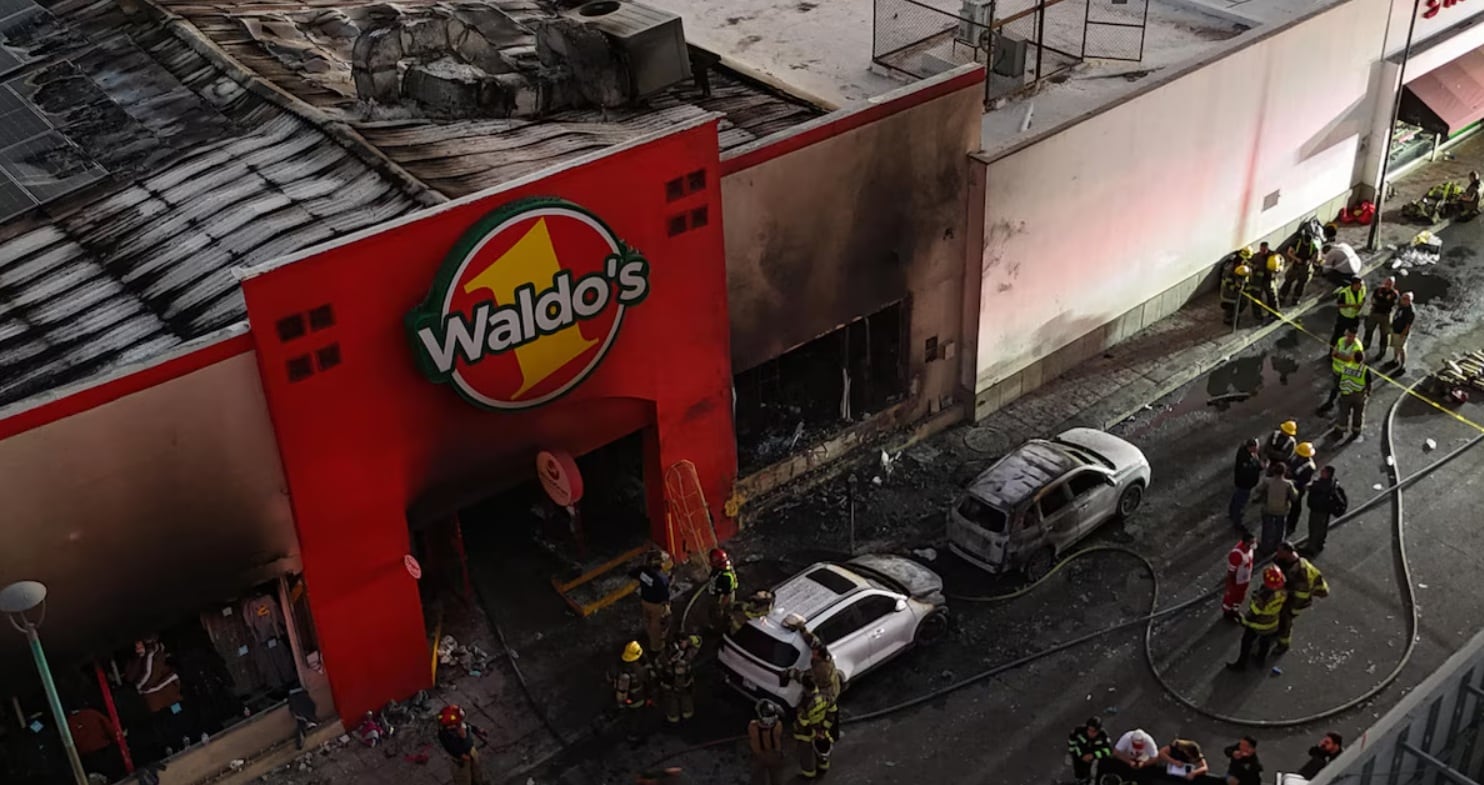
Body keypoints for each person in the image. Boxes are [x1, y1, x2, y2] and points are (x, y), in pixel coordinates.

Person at [1226, 565, 1287, 671]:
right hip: (1272, 624)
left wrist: (1243, 619)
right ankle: (1260, 660)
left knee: (1246, 642)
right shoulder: (1282, 591)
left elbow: (1255, 611)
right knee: (1264, 643)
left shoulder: (1263, 597)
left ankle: (1241, 665)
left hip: (1257, 624)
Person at [1274, 542, 1330, 654]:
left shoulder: (1301, 572)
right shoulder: (1285, 560)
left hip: (1299, 599)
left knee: (1286, 619)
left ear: (1288, 553)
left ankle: (1283, 644)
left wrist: (1291, 610)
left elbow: (1302, 595)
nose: (1277, 553)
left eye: (1280, 552)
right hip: (1292, 592)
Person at [610, 641, 653, 743]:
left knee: (633, 717)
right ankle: (634, 737)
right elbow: (647, 681)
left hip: (632, 698)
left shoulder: (622, 667)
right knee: (636, 719)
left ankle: (632, 732)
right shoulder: (634, 671)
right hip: (636, 700)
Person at [630, 550, 673, 653]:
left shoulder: (642, 571)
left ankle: (648, 633)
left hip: (645, 601)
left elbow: (632, 573)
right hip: (656, 606)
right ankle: (656, 648)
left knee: (647, 620)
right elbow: (665, 595)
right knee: (657, 627)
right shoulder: (662, 578)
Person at [792, 674, 833, 780]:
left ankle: (809, 775)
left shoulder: (804, 703)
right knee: (822, 749)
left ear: (805, 688)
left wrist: (814, 734)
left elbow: (803, 723)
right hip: (822, 728)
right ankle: (823, 767)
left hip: (806, 735)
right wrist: (824, 728)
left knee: (806, 756)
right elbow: (832, 710)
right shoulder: (825, 695)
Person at [1319, 325, 1364, 414]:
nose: (1350, 338)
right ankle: (1331, 403)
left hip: (1348, 373)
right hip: (1337, 370)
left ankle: (1344, 407)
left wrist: (1339, 355)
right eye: (1349, 335)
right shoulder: (1341, 340)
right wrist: (1341, 356)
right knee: (1335, 387)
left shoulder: (1357, 346)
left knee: (1345, 390)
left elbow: (1349, 359)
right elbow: (1333, 353)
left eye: (1352, 336)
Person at [436, 705, 487, 785]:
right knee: (464, 778)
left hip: (471, 750)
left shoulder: (460, 725)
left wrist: (478, 730)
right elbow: (451, 748)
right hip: (460, 760)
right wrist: (461, 754)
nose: (459, 725)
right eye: (456, 724)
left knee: (476, 770)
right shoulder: (446, 735)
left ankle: (478, 782)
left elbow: (469, 726)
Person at [657, 633, 701, 724]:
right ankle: (674, 722)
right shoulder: (667, 652)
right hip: (671, 686)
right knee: (673, 707)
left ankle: (686, 720)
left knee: (686, 706)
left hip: (683, 685)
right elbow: (659, 663)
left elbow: (699, 640)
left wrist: (689, 640)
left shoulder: (688, 653)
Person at [1253, 462, 1296, 555]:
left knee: (1267, 528)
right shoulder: (1288, 484)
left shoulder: (1267, 481)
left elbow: (1258, 489)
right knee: (1280, 528)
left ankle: (1265, 546)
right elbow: (1294, 496)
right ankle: (1279, 546)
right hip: (1282, 510)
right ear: (1284, 472)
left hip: (1268, 508)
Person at [1303, 465, 1344, 556]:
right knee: (1322, 528)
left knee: (1314, 528)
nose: (1321, 472)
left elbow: (1310, 487)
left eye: (1324, 471)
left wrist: (1310, 485)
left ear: (1328, 474)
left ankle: (1311, 548)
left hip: (1318, 510)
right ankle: (1319, 544)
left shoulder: (1322, 485)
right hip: (1325, 509)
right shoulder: (1331, 483)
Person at [1333, 350, 1372, 443]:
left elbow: (1339, 378)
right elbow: (1368, 383)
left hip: (1346, 393)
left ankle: (1341, 429)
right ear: (1362, 359)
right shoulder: (1364, 369)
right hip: (1359, 395)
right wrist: (1369, 392)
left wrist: (1339, 388)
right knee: (1358, 413)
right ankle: (1356, 430)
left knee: (1343, 412)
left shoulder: (1346, 366)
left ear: (1354, 358)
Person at [748, 700, 788, 785]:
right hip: (775, 754)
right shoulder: (778, 726)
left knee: (758, 778)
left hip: (758, 755)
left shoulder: (752, 727)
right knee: (776, 777)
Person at [1067, 716, 1113, 784]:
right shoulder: (1079, 731)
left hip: (1093, 757)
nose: (1090, 733)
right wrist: (1073, 754)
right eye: (1089, 730)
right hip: (1079, 755)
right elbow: (1072, 742)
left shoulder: (1103, 736)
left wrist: (1093, 755)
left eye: (1093, 731)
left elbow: (1108, 751)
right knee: (1079, 771)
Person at [1230, 439, 1263, 532]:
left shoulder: (1247, 452)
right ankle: (1237, 522)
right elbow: (1250, 470)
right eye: (1256, 448)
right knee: (1240, 503)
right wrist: (1260, 466)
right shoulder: (1245, 457)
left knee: (1236, 497)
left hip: (1242, 483)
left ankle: (1232, 512)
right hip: (1245, 484)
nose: (1257, 450)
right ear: (1251, 447)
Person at [1222, 531, 1256, 621]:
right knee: (1232, 596)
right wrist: (1231, 584)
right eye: (1251, 543)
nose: (1254, 545)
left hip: (1245, 579)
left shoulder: (1249, 549)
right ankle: (1227, 612)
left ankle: (1235, 609)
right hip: (1236, 580)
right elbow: (1231, 571)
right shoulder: (1237, 554)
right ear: (1246, 543)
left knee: (1240, 596)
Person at [1282, 230, 1321, 305]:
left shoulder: (1313, 246)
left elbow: (1316, 256)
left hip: (1305, 268)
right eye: (1305, 242)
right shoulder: (1297, 243)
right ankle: (1282, 297)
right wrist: (1296, 259)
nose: (1306, 244)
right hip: (1295, 265)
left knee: (1301, 284)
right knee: (1288, 281)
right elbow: (1289, 252)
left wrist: (1310, 261)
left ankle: (1296, 299)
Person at [1284, 442, 1316, 533]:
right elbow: (1288, 462)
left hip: (1297, 488)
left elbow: (1303, 481)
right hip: (1288, 483)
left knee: (1295, 507)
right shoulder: (1295, 457)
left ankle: (1291, 525)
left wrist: (1292, 478)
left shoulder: (1309, 467)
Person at [1364, 277, 1399, 359]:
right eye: (1387, 283)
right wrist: (1383, 302)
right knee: (1369, 329)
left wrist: (1380, 302)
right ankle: (1366, 344)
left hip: (1385, 316)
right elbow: (1373, 300)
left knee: (1384, 334)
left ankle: (1382, 350)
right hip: (1374, 313)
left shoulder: (1394, 294)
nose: (1388, 285)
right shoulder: (1378, 290)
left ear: (1393, 285)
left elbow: (1392, 305)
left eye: (1390, 284)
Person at [1330, 276, 1368, 347]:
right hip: (1344, 317)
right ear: (1354, 284)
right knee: (1338, 335)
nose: (1361, 286)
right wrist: (1352, 305)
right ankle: (1332, 350)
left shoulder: (1362, 289)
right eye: (1359, 285)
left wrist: (1361, 305)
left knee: (1353, 334)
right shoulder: (1344, 293)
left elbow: (1363, 297)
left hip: (1355, 317)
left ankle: (1348, 349)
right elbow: (1339, 305)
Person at [708, 548, 738, 632]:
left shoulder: (726, 577)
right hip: (719, 591)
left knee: (721, 614)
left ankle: (719, 629)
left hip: (724, 597)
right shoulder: (721, 568)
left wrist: (721, 607)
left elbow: (727, 595)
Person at [1387, 291, 1415, 374]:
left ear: (1410, 301)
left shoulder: (1410, 311)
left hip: (1401, 333)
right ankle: (1395, 360)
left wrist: (1402, 335)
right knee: (1396, 347)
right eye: (1403, 298)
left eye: (1407, 299)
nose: (1404, 300)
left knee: (1402, 348)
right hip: (1395, 330)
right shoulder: (1401, 305)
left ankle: (1403, 365)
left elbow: (1408, 325)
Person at [1220, 261, 1253, 326]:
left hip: (1240, 296)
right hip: (1230, 295)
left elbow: (1248, 286)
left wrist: (1246, 291)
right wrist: (1236, 289)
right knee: (1230, 307)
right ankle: (1228, 319)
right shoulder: (1231, 276)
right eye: (1241, 277)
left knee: (1242, 304)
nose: (1243, 278)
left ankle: (1236, 315)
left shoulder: (1246, 276)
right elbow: (1229, 285)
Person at [1258, 253, 1283, 320]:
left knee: (1272, 297)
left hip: (1270, 280)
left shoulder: (1273, 256)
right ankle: (1259, 316)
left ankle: (1275, 313)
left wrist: (1279, 268)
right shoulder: (1258, 258)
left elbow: (1281, 260)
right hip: (1259, 281)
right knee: (1258, 298)